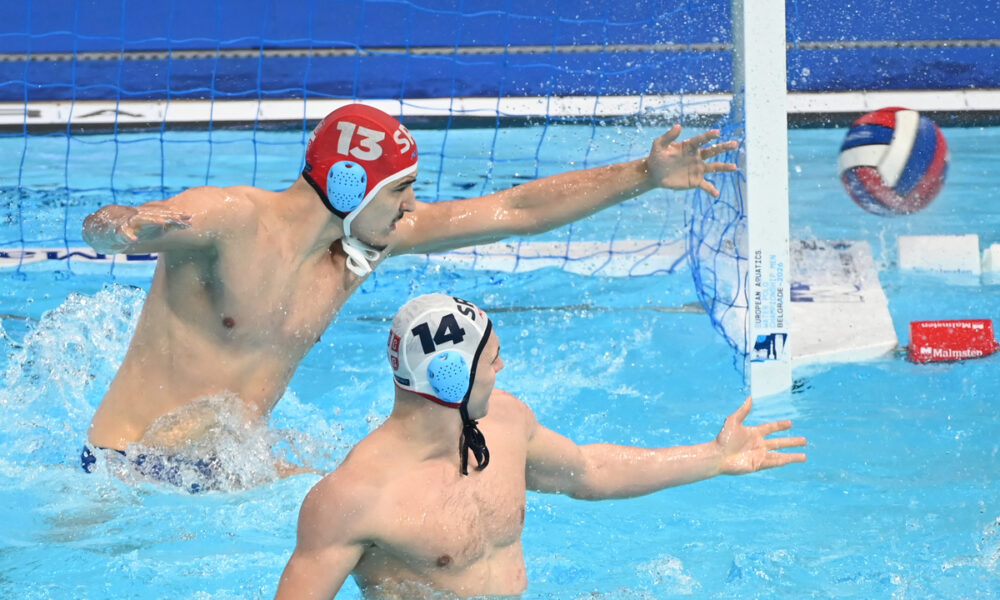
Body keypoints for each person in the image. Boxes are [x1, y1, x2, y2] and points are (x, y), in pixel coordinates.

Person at [80, 103, 738, 478]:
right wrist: (124, 228)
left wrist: (645, 174)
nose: (411, 207)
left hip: (225, 470)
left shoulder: (362, 250)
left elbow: (514, 211)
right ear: (347, 186)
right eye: (400, 191)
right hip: (125, 472)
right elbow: (114, 226)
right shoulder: (229, 220)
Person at [274, 294, 807, 598]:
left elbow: (588, 470)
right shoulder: (355, 498)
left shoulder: (504, 421)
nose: (503, 368)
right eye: (494, 358)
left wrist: (712, 457)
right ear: (451, 377)